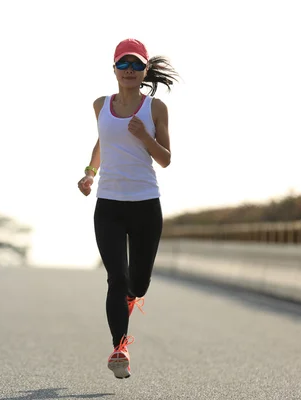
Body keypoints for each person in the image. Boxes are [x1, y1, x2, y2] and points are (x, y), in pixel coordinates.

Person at [77, 38, 178, 379]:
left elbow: (165, 159)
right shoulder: (100, 105)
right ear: (114, 69)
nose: (130, 70)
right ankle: (119, 348)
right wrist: (90, 174)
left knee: (139, 283)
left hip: (145, 204)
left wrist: (144, 137)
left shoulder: (155, 109)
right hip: (108, 205)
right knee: (116, 278)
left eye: (137, 65)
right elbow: (103, 142)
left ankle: (131, 302)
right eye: (124, 64)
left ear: (145, 70)